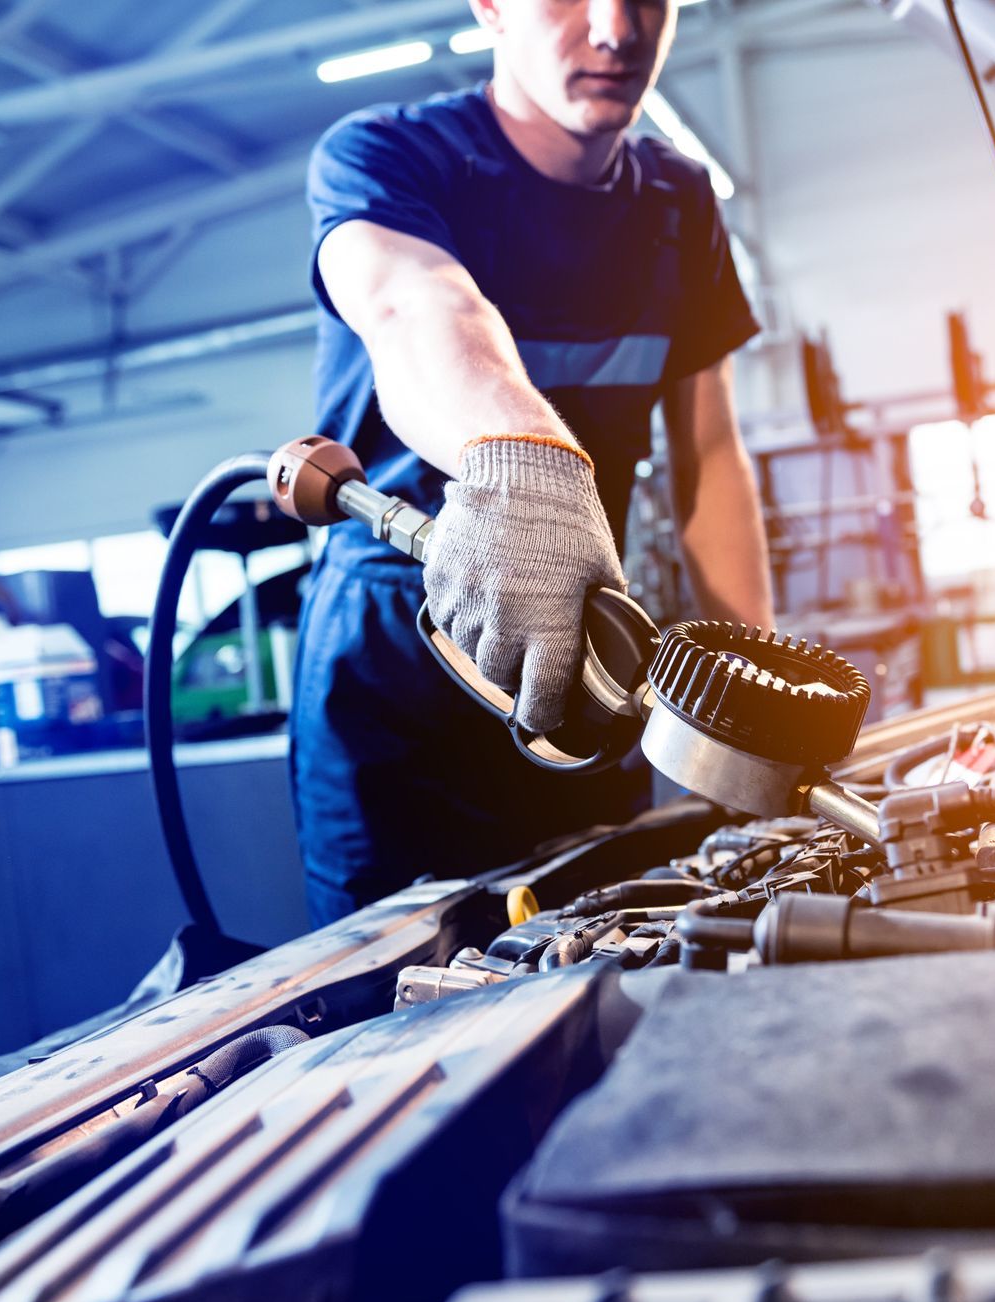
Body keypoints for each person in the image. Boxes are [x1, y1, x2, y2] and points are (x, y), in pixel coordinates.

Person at [292, 0, 775, 926]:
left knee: (606, 942)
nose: (614, 28)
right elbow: (417, 306)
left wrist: (748, 708)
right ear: (491, 9)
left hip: (584, 650)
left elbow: (708, 454)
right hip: (394, 662)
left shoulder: (679, 204)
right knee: (397, 986)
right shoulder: (385, 157)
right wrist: (525, 463)